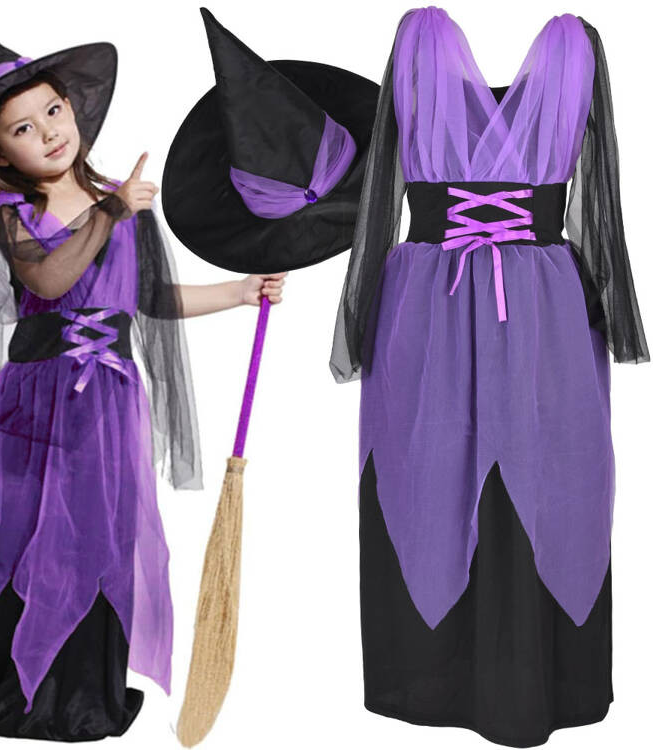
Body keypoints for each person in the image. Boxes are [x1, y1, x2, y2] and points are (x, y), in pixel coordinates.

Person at [0, 3, 285, 741]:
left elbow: (146, 300)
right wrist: (110, 212)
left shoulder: (116, 197)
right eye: (23, 128)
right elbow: (49, 281)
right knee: (32, 533)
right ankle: (27, 690)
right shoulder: (9, 216)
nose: (49, 131)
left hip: (106, 400)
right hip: (37, 399)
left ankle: (87, 694)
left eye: (53, 110)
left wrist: (239, 292)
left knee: (98, 535)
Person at [330, 6, 648, 747]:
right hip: (439, 309)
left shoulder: (577, 47)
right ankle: (436, 677)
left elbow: (599, 200)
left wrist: (611, 309)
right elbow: (381, 189)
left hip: (539, 316)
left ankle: (536, 681)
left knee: (553, 481)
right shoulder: (417, 39)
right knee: (425, 478)